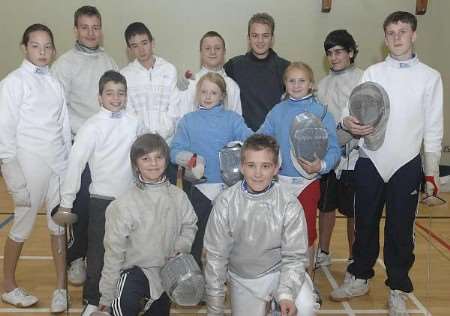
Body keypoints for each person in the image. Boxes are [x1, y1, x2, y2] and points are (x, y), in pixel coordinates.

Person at [330, 11, 443, 316]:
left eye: (402, 32)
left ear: (413, 35)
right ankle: (360, 277)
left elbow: (433, 128)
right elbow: (347, 110)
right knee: (364, 224)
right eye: (390, 32)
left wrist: (431, 173)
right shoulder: (373, 73)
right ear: (384, 37)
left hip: (406, 163)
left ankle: (398, 289)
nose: (396, 38)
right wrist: (348, 122)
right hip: (370, 159)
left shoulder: (430, 77)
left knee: (400, 230)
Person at [204, 134, 318, 316]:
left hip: (280, 272)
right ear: (241, 167)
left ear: (276, 169)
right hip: (243, 278)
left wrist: (286, 294)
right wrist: (215, 310)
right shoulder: (225, 203)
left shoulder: (288, 203)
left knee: (305, 306)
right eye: (251, 166)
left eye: (265, 166)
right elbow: (215, 259)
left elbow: (295, 257)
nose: (258, 173)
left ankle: (276, 304)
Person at [0, 24, 71, 312]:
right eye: (35, 46)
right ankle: (8, 287)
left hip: (57, 163)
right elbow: (4, 130)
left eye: (47, 47)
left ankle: (61, 289)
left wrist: (68, 164)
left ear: (53, 50)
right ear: (24, 48)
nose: (42, 52)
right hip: (28, 163)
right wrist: (11, 170)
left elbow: (63, 127)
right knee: (23, 224)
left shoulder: (54, 82)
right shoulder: (13, 82)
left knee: (58, 226)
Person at [58, 71, 141, 315]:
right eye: (110, 93)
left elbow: (143, 157)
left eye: (121, 93)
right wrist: (66, 202)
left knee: (127, 251)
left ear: (126, 96)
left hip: (130, 199)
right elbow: (76, 163)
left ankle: (117, 297)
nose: (115, 98)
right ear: (99, 97)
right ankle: (93, 300)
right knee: (98, 254)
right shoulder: (92, 126)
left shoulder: (135, 122)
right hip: (101, 201)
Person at [52, 5, 118, 286]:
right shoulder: (64, 65)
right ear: (76, 30)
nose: (91, 33)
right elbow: (57, 110)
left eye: (95, 27)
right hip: (78, 144)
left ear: (101, 29)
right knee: (80, 203)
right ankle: (76, 257)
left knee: (105, 205)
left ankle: (97, 256)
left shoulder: (109, 62)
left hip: (106, 148)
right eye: (85, 27)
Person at [97, 133, 197, 316]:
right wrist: (106, 298)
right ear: (136, 165)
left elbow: (190, 225)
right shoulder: (124, 204)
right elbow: (113, 253)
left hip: (166, 275)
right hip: (133, 276)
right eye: (146, 158)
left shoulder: (179, 197)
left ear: (166, 161)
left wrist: (181, 246)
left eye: (158, 157)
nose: (153, 163)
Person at [258, 62, 340, 275]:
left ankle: (308, 282)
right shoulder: (277, 111)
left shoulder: (321, 113)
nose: (296, 85)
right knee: (278, 233)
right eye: (291, 81)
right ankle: (279, 280)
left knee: (307, 233)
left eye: (301, 81)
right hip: (280, 183)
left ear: (311, 84)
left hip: (307, 183)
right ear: (285, 84)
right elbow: (261, 138)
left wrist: (320, 166)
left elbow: (334, 149)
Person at [170, 72, 252, 266]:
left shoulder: (233, 119)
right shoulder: (188, 120)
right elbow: (175, 151)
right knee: (197, 238)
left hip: (229, 189)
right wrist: (191, 159)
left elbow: (250, 140)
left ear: (222, 95)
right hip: (199, 188)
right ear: (198, 93)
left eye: (213, 93)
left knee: (229, 237)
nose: (207, 96)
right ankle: (198, 281)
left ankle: (230, 279)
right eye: (204, 91)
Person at [316, 29, 364, 266]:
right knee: (326, 206)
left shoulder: (363, 79)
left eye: (338, 52)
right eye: (329, 53)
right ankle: (323, 252)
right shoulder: (322, 84)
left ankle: (355, 257)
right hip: (327, 157)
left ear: (351, 52)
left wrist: (343, 140)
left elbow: (364, 119)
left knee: (353, 211)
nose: (333, 58)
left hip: (355, 157)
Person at [224, 12, 290, 131]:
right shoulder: (233, 66)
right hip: (243, 138)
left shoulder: (285, 68)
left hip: (276, 137)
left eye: (265, 36)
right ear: (248, 38)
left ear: (272, 38)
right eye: (255, 35)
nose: (260, 41)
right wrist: (192, 80)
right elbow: (212, 84)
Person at [120, 22, 179, 144]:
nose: (141, 50)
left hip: (166, 143)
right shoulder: (124, 75)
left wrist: (160, 134)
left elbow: (174, 109)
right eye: (135, 46)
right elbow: (128, 113)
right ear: (129, 49)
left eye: (144, 43)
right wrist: (145, 137)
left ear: (152, 43)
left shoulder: (169, 69)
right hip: (139, 145)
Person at [178, 31, 241, 116]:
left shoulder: (232, 86)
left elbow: (237, 121)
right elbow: (182, 119)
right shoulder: (190, 84)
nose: (212, 52)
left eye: (217, 48)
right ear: (201, 52)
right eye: (207, 48)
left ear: (224, 52)